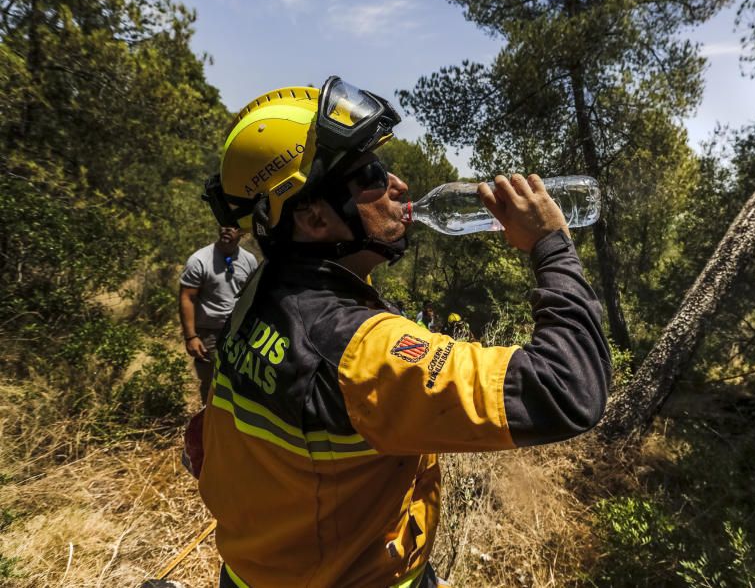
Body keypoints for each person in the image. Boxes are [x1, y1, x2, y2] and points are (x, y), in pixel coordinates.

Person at [197, 77, 611, 588]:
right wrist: (551, 246)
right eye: (369, 174)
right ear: (313, 216)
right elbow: (567, 389)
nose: (399, 185)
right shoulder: (359, 352)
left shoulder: (265, 287)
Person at [178, 225, 258, 403]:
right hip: (209, 333)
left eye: (234, 227)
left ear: (243, 233)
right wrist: (191, 336)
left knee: (239, 381)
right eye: (224, 225)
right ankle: (208, 425)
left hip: (238, 331)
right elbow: (187, 298)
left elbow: (251, 295)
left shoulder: (249, 260)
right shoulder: (199, 260)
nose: (227, 229)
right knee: (212, 384)